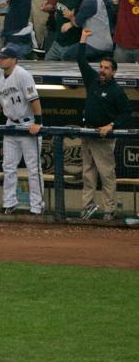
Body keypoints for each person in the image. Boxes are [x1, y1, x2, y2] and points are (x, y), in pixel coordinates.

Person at [77, 29, 131, 221]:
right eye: (101, 67)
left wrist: (112, 125)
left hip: (103, 137)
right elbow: (81, 61)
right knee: (87, 173)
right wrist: (83, 40)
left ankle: (109, 209)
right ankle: (88, 206)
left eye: (107, 68)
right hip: (87, 132)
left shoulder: (116, 90)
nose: (102, 70)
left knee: (106, 174)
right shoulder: (92, 80)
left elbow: (127, 113)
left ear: (113, 71)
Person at [0, 46, 45, 216]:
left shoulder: (23, 75)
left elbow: (34, 99)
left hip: (28, 125)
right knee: (8, 166)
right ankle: (9, 203)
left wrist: (38, 122)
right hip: (10, 124)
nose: (1, 59)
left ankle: (37, 205)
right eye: (0, 57)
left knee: (33, 168)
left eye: (4, 57)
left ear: (14, 59)